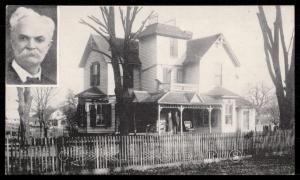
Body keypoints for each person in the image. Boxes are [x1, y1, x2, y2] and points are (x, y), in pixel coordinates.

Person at [6, 7, 56, 85]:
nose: (31, 46)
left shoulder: (51, 83)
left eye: (39, 40)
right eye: (23, 38)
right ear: (13, 43)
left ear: (48, 46)